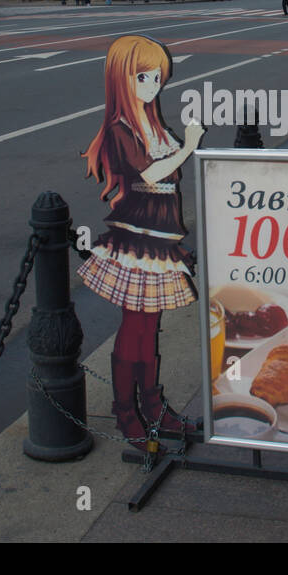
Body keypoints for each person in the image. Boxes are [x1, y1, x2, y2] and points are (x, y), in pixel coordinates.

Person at [80, 35, 205, 445]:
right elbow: (148, 175)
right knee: (136, 323)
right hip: (139, 234)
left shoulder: (150, 122)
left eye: (156, 77)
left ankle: (152, 405)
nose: (152, 85)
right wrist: (188, 147)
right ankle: (127, 413)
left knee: (149, 324)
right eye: (142, 77)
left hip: (160, 231)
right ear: (121, 79)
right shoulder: (121, 129)